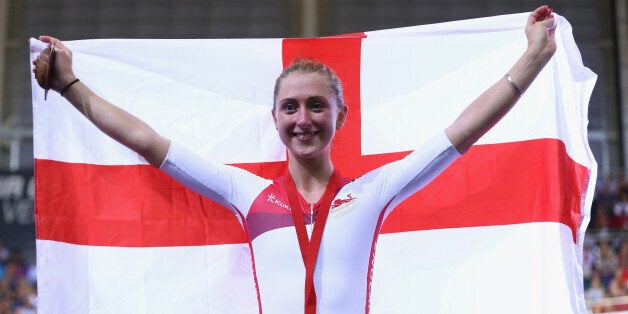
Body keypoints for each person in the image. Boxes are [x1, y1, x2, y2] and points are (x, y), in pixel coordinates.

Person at [33, 5, 556, 313]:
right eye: (290, 107)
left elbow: (461, 133)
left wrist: (532, 59)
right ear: (275, 118)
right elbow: (147, 142)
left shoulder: (370, 192)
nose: (302, 118)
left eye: (316, 105)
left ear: (340, 116)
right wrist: (70, 84)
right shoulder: (245, 192)